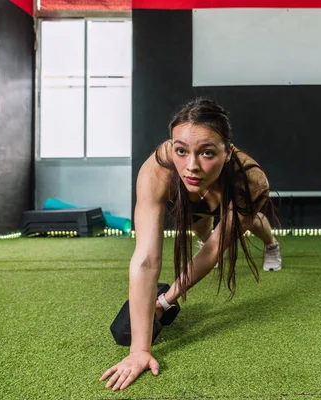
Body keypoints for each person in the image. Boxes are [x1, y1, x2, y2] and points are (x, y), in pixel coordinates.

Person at [100, 98, 282, 391]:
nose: (192, 166)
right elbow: (146, 260)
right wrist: (139, 350)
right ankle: (203, 224)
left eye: (207, 153)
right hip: (194, 203)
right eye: (181, 151)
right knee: (199, 227)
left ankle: (272, 245)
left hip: (231, 199)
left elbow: (212, 251)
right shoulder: (157, 171)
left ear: (227, 153)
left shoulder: (250, 179)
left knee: (253, 222)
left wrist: (165, 300)